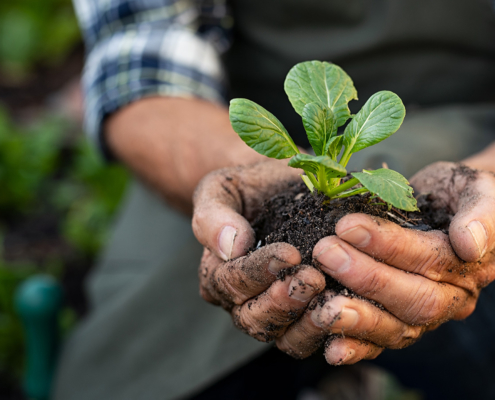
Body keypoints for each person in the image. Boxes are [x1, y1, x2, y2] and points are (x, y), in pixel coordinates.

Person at [55, 0, 495, 398]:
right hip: (221, 141)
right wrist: (247, 175)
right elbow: (138, 69)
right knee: (142, 364)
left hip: (477, 134)